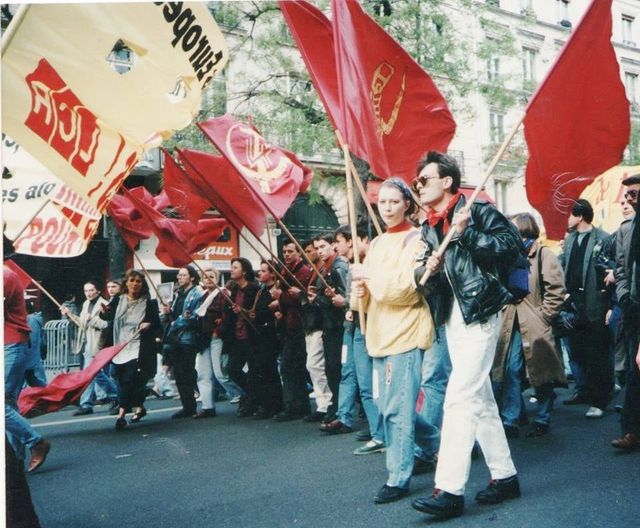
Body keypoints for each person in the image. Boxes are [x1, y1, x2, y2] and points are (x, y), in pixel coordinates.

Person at [411, 151, 521, 520]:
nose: (419, 186)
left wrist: (468, 232)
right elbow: (424, 277)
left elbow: (511, 248)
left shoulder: (477, 210)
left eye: (424, 180)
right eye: (417, 182)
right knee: (481, 399)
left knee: (459, 397)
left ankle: (449, 489)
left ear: (447, 181)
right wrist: (426, 268)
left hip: (482, 312)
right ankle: (505, 476)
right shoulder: (428, 226)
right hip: (452, 318)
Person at [352, 178, 434, 504]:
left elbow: (405, 290)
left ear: (407, 204)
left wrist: (369, 279)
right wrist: (359, 292)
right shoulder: (376, 244)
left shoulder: (417, 241)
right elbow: (369, 295)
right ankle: (435, 444)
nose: (387, 208)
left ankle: (398, 477)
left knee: (396, 409)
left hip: (406, 331)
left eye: (393, 202)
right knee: (390, 406)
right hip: (380, 334)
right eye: (382, 202)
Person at [492, 213, 567, 438]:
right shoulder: (506, 255)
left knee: (541, 371)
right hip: (510, 319)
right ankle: (511, 418)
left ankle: (542, 417)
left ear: (523, 229)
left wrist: (545, 315)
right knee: (510, 370)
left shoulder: (543, 254)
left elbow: (556, 289)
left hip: (534, 320)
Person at [320, 224, 386, 456]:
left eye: (339, 241)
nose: (336, 245)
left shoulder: (372, 264)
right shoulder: (351, 266)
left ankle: (381, 432)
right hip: (354, 326)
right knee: (353, 376)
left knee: (370, 385)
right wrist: (351, 307)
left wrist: (348, 304)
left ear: (359, 240)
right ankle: (361, 424)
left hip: (370, 327)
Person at [560, 199, 612, 418]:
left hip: (595, 304)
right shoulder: (570, 239)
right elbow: (565, 266)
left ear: (580, 215)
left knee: (597, 353)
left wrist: (609, 306)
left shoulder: (603, 238)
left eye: (570, 214)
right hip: (574, 303)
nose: (568, 219)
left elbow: (607, 272)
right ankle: (584, 391)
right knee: (577, 351)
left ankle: (600, 399)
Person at [3, 235, 51, 473]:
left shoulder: (4, 276)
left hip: (10, 345)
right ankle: (15, 460)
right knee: (8, 404)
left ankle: (35, 442)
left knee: (3, 406)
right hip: (11, 345)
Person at [108, 270, 161, 430]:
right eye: (132, 280)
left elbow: (158, 326)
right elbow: (107, 317)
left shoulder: (149, 303)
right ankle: (140, 406)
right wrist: (105, 313)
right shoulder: (118, 300)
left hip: (139, 347)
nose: (135, 284)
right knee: (121, 378)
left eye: (138, 281)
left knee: (129, 380)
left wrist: (149, 324)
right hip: (120, 345)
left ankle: (121, 415)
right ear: (126, 283)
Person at [612, 174, 640, 450]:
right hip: (634, 308)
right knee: (635, 369)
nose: (628, 199)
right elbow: (621, 268)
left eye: (633, 194)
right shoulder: (625, 229)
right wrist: (623, 296)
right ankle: (632, 431)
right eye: (627, 195)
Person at [309, 234, 349, 423]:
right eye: (317, 248)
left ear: (333, 246)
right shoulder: (325, 267)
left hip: (337, 326)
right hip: (329, 326)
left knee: (335, 369)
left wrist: (317, 299)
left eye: (323, 246)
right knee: (331, 369)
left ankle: (337, 409)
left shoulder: (338, 267)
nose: (319, 251)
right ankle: (337, 408)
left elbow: (342, 298)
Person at [272, 240, 313, 421]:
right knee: (292, 367)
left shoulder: (302, 271)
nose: (286, 254)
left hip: (297, 325)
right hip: (287, 324)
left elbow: (301, 297)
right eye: (284, 251)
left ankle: (295, 406)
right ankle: (297, 405)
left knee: (290, 367)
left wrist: (282, 297)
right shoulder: (284, 271)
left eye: (290, 251)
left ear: (298, 253)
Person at [64, 280, 118, 416]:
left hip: (99, 344)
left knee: (91, 373)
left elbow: (107, 325)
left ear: (98, 291)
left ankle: (91, 402)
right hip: (87, 344)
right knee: (92, 374)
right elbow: (82, 324)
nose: (88, 293)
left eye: (91, 290)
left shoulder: (105, 304)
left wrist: (91, 320)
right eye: (86, 291)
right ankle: (111, 396)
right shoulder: (85, 304)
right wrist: (69, 315)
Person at [194, 268, 241, 418]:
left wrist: (218, 330)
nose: (208, 279)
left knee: (220, 373)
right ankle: (207, 407)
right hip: (203, 337)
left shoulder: (223, 294)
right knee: (203, 374)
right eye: (205, 277)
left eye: (212, 276)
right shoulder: (202, 297)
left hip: (216, 336)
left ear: (218, 278)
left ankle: (245, 394)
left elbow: (227, 316)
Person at [220, 257, 261, 417]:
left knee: (253, 371)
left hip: (251, 336)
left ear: (244, 271)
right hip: (237, 337)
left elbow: (254, 311)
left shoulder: (254, 288)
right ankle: (250, 395)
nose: (231, 270)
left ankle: (252, 400)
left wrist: (243, 310)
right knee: (232, 369)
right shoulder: (234, 290)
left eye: (235, 267)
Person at [161, 266, 204, 419]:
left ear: (192, 277)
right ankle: (187, 406)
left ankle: (194, 403)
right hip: (175, 339)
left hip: (187, 339)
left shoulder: (197, 293)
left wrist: (175, 324)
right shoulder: (178, 294)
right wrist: (168, 313)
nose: (179, 277)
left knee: (187, 372)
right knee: (179, 374)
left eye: (183, 275)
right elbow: (175, 315)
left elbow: (192, 317)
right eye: (179, 275)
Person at [300, 238, 332, 422]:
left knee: (314, 364)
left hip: (319, 324)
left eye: (311, 249)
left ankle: (326, 402)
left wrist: (312, 296)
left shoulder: (323, 269)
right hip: (311, 324)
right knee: (313, 365)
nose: (311, 253)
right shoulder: (314, 271)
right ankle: (323, 402)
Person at [250, 260, 284, 418]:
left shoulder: (277, 290)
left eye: (264, 271)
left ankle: (275, 404)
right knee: (261, 370)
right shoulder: (260, 291)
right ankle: (266, 403)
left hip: (272, 333)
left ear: (272, 274)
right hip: (260, 334)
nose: (260, 273)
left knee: (270, 370)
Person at [25, 300, 47, 388]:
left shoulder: (31, 321)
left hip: (30, 356)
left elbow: (32, 341)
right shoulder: (35, 320)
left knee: (36, 381)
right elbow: (42, 341)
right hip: (34, 357)